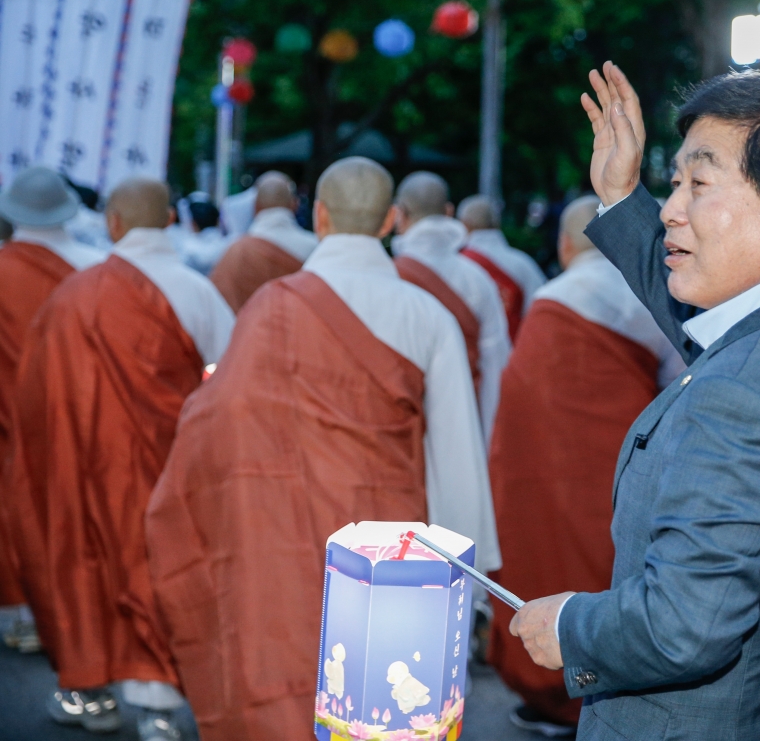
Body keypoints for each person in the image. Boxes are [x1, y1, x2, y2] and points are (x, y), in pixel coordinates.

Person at [508, 63, 760, 739]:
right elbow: (715, 328)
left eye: (698, 184)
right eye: (673, 185)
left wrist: (572, 625)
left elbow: (684, 626)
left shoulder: (742, 394)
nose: (671, 209)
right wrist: (620, 195)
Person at [145, 157, 499, 741]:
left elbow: (216, 422)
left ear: (322, 217)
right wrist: (469, 579)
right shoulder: (426, 315)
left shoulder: (269, 307)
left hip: (279, 529)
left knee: (286, 674)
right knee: (386, 702)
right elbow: (457, 454)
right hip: (391, 544)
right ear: (390, 221)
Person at [4, 176, 233, 741]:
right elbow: (231, 384)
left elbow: (36, 393)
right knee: (161, 570)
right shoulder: (196, 290)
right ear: (171, 221)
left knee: (87, 566)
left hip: (84, 464)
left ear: (112, 223)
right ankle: (161, 708)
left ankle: (91, 694)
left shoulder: (75, 294)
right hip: (171, 466)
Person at [489, 194, 683, 737]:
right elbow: (676, 378)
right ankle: (607, 680)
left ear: (567, 245)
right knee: (611, 558)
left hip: (538, 466)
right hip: (616, 457)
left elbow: (519, 399)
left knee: (541, 549)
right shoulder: (654, 294)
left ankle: (543, 682)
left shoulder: (550, 298)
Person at [0, 167, 107, 655]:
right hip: (85, 413)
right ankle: (86, 612)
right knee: (83, 510)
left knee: (14, 505)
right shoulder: (98, 267)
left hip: (12, 414)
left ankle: (23, 615)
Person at [392, 171, 510, 440]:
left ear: (400, 215)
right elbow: (496, 363)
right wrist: (486, 435)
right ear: (448, 212)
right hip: (464, 415)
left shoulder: (387, 276)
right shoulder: (477, 278)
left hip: (402, 419)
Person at [209, 171, 318, 312]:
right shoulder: (315, 248)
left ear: (255, 207)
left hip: (247, 333)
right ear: (294, 205)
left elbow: (217, 307)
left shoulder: (236, 252)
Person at [458, 193, 547, 341]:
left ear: (464, 224)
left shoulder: (458, 263)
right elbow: (540, 315)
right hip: (514, 355)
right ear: (497, 223)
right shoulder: (523, 264)